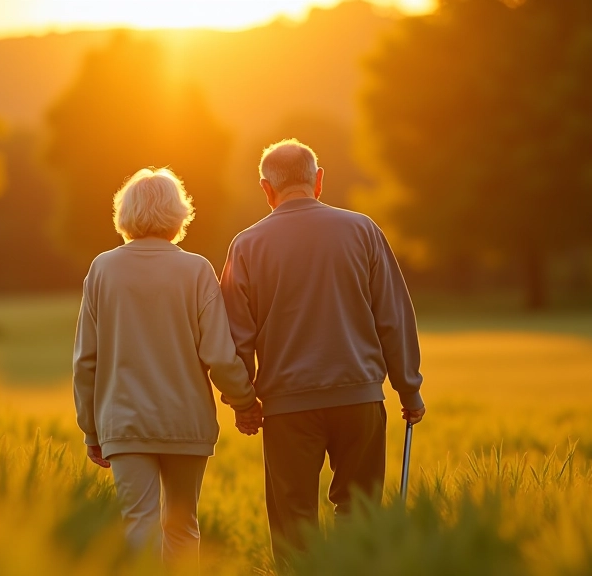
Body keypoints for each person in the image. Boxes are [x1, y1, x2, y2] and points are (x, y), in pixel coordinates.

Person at [220, 139, 426, 567]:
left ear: (266, 189)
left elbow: (235, 338)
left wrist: (244, 402)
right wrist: (408, 388)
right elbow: (393, 317)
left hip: (287, 410)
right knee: (360, 515)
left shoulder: (246, 245)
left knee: (293, 525)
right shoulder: (363, 230)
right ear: (318, 180)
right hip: (359, 400)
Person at [72, 167, 261, 571]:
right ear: (178, 214)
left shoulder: (102, 269)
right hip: (186, 422)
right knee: (183, 526)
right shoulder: (197, 270)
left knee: (138, 525)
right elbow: (219, 354)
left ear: (126, 213)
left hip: (124, 422)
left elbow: (86, 360)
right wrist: (245, 401)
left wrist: (91, 428)